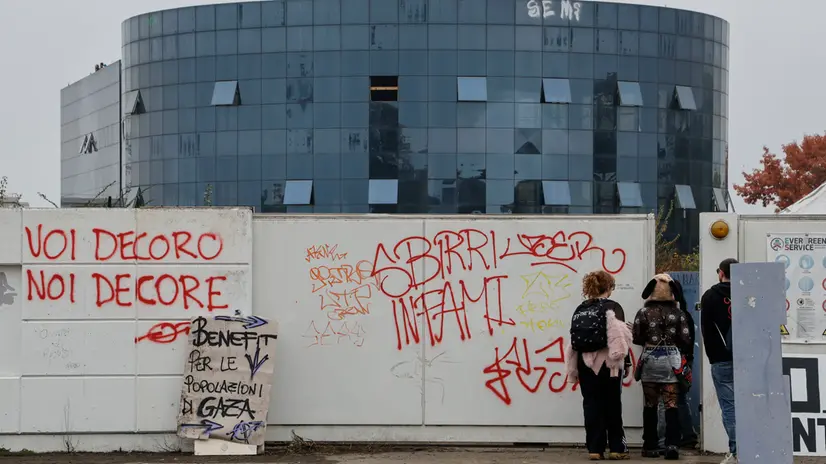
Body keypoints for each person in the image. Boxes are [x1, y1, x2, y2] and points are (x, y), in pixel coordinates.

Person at [566, 270, 633, 461]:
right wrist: (626, 363)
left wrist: (573, 368)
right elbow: (619, 339)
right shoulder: (613, 307)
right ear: (609, 288)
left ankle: (595, 449)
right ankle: (616, 448)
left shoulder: (580, 308)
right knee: (612, 404)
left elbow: (573, 340)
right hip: (609, 364)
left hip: (585, 363)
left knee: (591, 404)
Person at [633, 274, 691, 460]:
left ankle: (650, 445)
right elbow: (685, 338)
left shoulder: (643, 313)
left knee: (650, 404)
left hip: (650, 359)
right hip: (671, 361)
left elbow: (637, 337)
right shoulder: (679, 314)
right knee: (671, 404)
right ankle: (671, 444)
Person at [700, 258, 738, 463]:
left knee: (730, 406)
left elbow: (706, 329)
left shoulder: (710, 296)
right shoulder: (748, 292)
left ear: (721, 273)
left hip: (721, 360)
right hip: (749, 359)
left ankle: (738, 451)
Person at [657, 277, 699, 451]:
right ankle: (688, 435)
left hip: (668, 360)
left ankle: (662, 441)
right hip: (683, 360)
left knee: (662, 401)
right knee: (680, 398)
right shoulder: (685, 314)